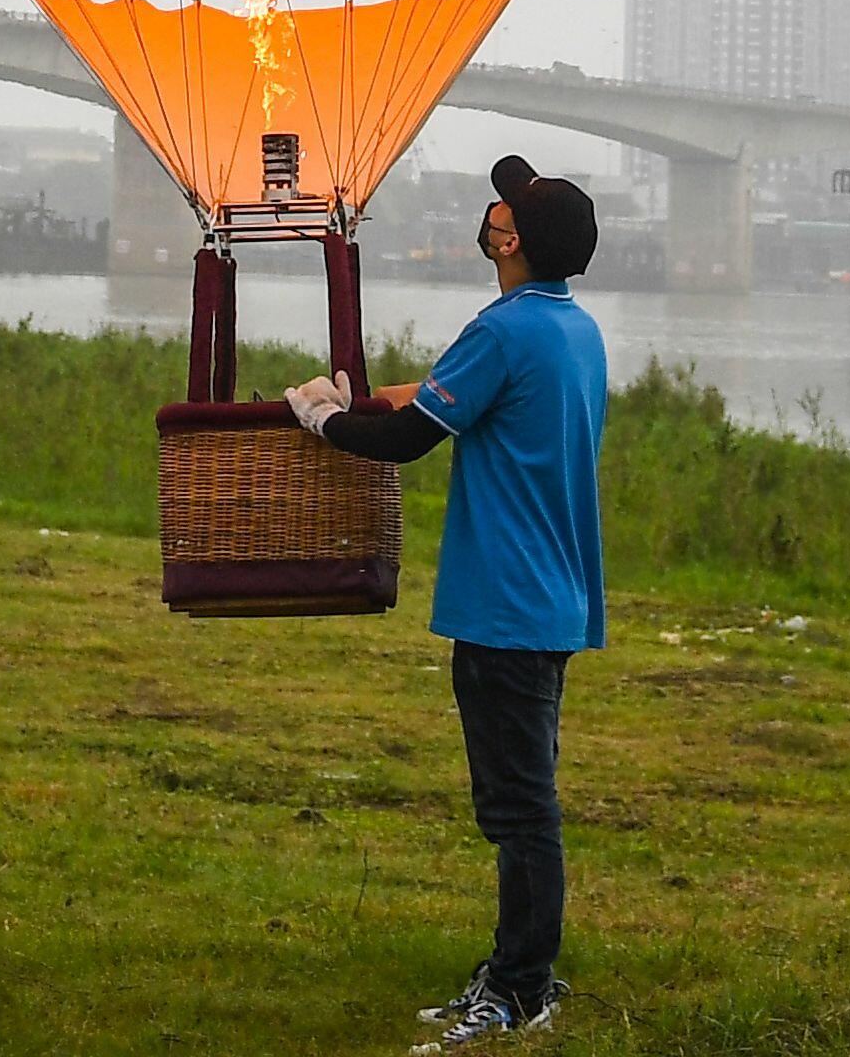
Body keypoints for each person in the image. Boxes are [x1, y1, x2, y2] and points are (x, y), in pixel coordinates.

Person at [287, 156, 605, 1044]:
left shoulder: (501, 331)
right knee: (525, 798)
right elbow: (434, 399)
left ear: (510, 243)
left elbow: (407, 440)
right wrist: (367, 397)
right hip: (552, 597)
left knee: (519, 810)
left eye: (509, 208)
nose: (495, 211)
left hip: (504, 601)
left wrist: (322, 419)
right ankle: (517, 972)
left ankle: (519, 990)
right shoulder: (571, 330)